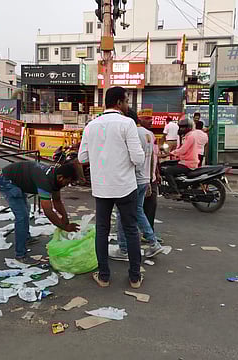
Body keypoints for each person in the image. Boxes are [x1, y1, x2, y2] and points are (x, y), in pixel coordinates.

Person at [78, 86, 145, 289]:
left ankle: (104, 276)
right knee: (131, 230)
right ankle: (134, 277)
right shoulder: (127, 124)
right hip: (125, 186)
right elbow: (139, 158)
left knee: (102, 230)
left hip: (102, 188)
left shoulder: (91, 126)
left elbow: (82, 157)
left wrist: (102, 157)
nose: (127, 105)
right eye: (126, 101)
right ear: (118, 103)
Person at [0, 161, 79, 264]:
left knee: (26, 210)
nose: (67, 185)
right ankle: (20, 255)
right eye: (67, 182)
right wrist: (65, 227)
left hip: (16, 179)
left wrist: (65, 217)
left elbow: (57, 201)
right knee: (22, 216)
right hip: (7, 181)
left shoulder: (55, 178)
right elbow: (48, 211)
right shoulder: (45, 181)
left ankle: (25, 237)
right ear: (60, 177)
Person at [110, 111, 162, 262]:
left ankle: (124, 249)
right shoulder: (149, 135)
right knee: (138, 211)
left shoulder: (132, 133)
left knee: (121, 213)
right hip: (145, 178)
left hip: (132, 180)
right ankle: (153, 242)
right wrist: (150, 178)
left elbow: (131, 158)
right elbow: (152, 157)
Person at [162, 118, 199, 196]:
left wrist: (170, 153)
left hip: (188, 163)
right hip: (184, 161)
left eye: (183, 127)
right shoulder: (186, 136)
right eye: (181, 127)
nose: (181, 129)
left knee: (168, 171)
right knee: (168, 164)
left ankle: (175, 191)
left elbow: (183, 150)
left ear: (188, 127)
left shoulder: (190, 137)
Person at [143, 116, 160, 235]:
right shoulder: (136, 134)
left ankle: (149, 233)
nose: (151, 121)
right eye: (147, 118)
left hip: (151, 177)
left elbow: (154, 156)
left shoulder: (151, 135)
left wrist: (157, 172)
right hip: (142, 178)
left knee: (151, 205)